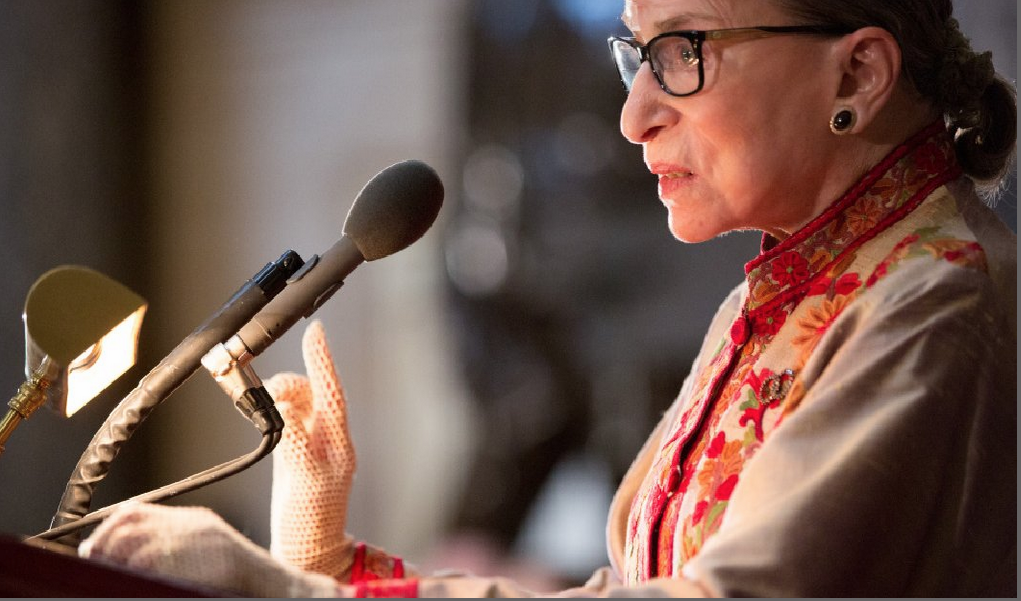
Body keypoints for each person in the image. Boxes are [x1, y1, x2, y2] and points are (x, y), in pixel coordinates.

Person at [76, 0, 1016, 596]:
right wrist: (329, 568)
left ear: (856, 72)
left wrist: (291, 596)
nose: (633, 116)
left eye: (681, 51)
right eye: (636, 56)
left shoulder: (933, 298)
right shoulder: (780, 298)